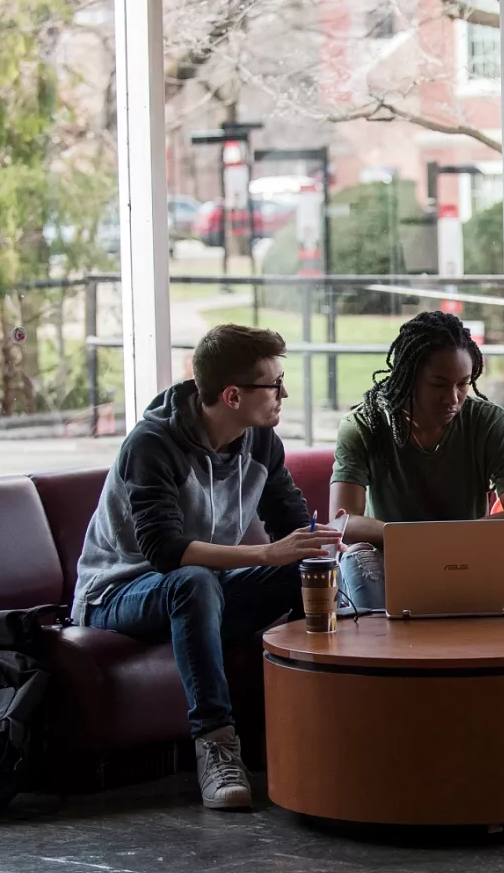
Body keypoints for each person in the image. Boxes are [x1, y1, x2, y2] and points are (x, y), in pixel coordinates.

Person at [72, 324, 341, 811]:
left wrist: (323, 543)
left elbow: (292, 525)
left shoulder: (261, 442)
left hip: (204, 590)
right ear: (233, 395)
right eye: (274, 384)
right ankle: (217, 747)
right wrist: (265, 553)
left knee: (304, 570)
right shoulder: (152, 444)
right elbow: (165, 552)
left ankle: (316, 723)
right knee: (192, 583)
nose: (283, 394)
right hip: (117, 593)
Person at [330, 311, 504, 610]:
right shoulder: (363, 425)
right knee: (357, 557)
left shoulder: (488, 421)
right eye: (439, 385)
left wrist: (447, 540)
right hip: (390, 558)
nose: (453, 398)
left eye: (463, 384)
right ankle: (376, 641)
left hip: (465, 558)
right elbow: (342, 520)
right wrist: (419, 541)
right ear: (408, 378)